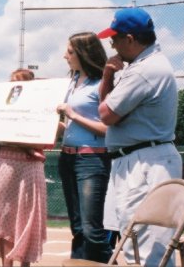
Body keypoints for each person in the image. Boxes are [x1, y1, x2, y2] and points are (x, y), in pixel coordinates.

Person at [97, 7, 183, 266]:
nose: (111, 43)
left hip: (146, 161)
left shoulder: (144, 70)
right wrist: (110, 75)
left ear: (130, 39)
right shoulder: (146, 65)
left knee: (148, 249)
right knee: (136, 242)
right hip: (141, 157)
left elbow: (106, 114)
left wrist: (108, 74)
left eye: (115, 37)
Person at [0, 68, 48, 267]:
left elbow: (47, 137)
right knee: (4, 216)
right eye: (13, 85)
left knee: (28, 216)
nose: (17, 89)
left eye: (22, 84)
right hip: (5, 161)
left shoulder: (43, 107)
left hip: (30, 165)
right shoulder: (0, 105)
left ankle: (24, 264)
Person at [56, 32, 112, 263]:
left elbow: (109, 130)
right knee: (78, 229)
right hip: (67, 158)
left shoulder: (102, 85)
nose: (64, 56)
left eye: (69, 52)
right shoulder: (72, 83)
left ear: (83, 53)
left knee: (92, 231)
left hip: (91, 161)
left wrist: (73, 115)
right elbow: (68, 125)